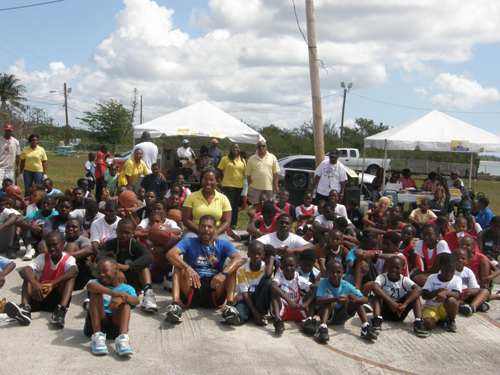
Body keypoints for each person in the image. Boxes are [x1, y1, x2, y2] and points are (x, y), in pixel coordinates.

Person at [165, 215, 244, 325]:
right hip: (193, 283)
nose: (206, 229)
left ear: (215, 230)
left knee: (231, 268)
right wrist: (187, 268)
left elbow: (239, 260)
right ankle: (175, 305)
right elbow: (171, 254)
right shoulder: (189, 241)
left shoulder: (223, 244)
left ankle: (229, 307)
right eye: (203, 226)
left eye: (209, 227)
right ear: (198, 228)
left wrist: (224, 273)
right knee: (178, 266)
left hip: (214, 286)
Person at [5, 231, 77, 328]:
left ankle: (61, 311)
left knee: (70, 278)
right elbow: (23, 271)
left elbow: (74, 271)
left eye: (55, 245)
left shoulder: (69, 259)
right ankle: (25, 308)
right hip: (39, 294)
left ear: (63, 244)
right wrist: (35, 283)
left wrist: (52, 284)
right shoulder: (42, 257)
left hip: (57, 298)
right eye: (48, 245)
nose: (51, 248)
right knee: (28, 274)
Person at [96, 218, 157, 312]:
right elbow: (99, 258)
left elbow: (149, 257)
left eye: (127, 232)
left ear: (133, 233)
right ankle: (97, 295)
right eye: (120, 232)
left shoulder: (137, 245)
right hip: (112, 281)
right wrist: (116, 270)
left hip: (131, 281)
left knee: (144, 268)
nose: (123, 235)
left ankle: (148, 296)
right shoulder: (109, 245)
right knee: (102, 268)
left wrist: (128, 267)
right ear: (116, 231)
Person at [84, 257, 139, 356]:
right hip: (98, 321)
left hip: (115, 322)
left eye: (105, 270)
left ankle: (122, 339)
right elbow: (90, 286)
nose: (101, 275)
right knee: (96, 293)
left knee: (126, 302)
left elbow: (136, 300)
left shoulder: (127, 288)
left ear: (116, 269)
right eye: (98, 272)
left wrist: (122, 299)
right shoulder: (98, 284)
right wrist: (113, 293)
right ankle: (97, 338)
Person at [315, 259, 378, 343]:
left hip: (342, 316)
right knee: (329, 302)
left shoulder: (346, 285)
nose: (335, 275)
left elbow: (365, 299)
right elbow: (318, 301)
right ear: (326, 273)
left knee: (357, 302)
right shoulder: (323, 282)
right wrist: (335, 299)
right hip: (326, 314)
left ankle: (365, 327)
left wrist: (355, 299)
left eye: (338, 272)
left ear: (342, 273)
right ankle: (322, 328)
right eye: (332, 272)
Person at [371, 256, 429, 338]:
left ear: (403, 269)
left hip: (400, 311)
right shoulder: (382, 277)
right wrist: (391, 302)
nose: (394, 270)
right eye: (391, 267)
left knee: (413, 293)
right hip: (385, 310)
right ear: (387, 267)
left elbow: (419, 289)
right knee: (378, 293)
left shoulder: (404, 279)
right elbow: (375, 287)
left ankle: (419, 322)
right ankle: (376, 320)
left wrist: (405, 304)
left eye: (397, 268)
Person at [270, 253, 316, 335]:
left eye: (291, 265)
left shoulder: (298, 278)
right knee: (274, 293)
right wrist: (289, 301)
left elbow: (315, 288)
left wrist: (306, 303)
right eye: (286, 266)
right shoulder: (279, 276)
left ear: (296, 266)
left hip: (297, 309)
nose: (289, 268)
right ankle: (278, 320)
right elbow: (273, 286)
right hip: (283, 309)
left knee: (313, 292)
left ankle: (310, 320)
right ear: (281, 267)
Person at [181, 169, 231, 239]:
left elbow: (227, 221)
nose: (208, 182)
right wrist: (199, 231)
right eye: (205, 179)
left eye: (212, 180)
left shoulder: (223, 198)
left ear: (216, 182)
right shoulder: (191, 197)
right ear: (201, 181)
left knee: (223, 245)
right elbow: (185, 219)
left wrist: (216, 232)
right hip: (193, 231)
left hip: (216, 232)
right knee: (190, 243)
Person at [233, 241, 275, 325]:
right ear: (248, 255)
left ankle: (259, 313)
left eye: (259, 254)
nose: (256, 256)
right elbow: (244, 293)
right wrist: (254, 311)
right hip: (245, 300)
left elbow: (268, 276)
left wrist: (272, 259)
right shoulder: (241, 270)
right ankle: (251, 314)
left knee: (268, 281)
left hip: (259, 300)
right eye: (253, 253)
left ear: (263, 255)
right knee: (239, 317)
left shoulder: (268, 269)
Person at [422, 253, 461, 333]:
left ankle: (450, 320)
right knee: (429, 324)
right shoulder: (432, 278)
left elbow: (457, 295)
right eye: (445, 270)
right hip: (431, 308)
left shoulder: (457, 279)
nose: (448, 274)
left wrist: (445, 293)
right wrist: (437, 292)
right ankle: (435, 320)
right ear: (440, 267)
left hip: (445, 309)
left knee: (452, 301)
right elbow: (424, 295)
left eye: (452, 271)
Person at [453, 248, 490, 317]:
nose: (460, 260)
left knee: (486, 291)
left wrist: (469, 292)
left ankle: (472, 307)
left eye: (463, 258)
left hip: (466, 295)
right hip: (455, 295)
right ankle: (477, 306)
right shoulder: (448, 271)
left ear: (467, 261)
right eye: (457, 258)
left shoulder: (468, 271)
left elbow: (475, 288)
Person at [218, 143, 246, 228]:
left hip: (239, 186)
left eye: (237, 147)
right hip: (228, 185)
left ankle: (233, 223)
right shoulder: (225, 159)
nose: (235, 149)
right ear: (231, 149)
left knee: (235, 205)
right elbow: (219, 170)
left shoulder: (243, 160)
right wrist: (222, 179)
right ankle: (227, 222)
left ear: (239, 149)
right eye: (234, 147)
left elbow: (244, 172)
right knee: (228, 204)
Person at [245, 140, 280, 206]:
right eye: (259, 146)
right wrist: (250, 185)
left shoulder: (272, 157)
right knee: (256, 207)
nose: (261, 147)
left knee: (267, 207)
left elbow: (275, 173)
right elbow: (248, 174)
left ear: (266, 147)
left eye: (263, 146)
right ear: (256, 148)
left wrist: (276, 185)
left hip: (268, 188)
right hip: (255, 188)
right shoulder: (251, 159)